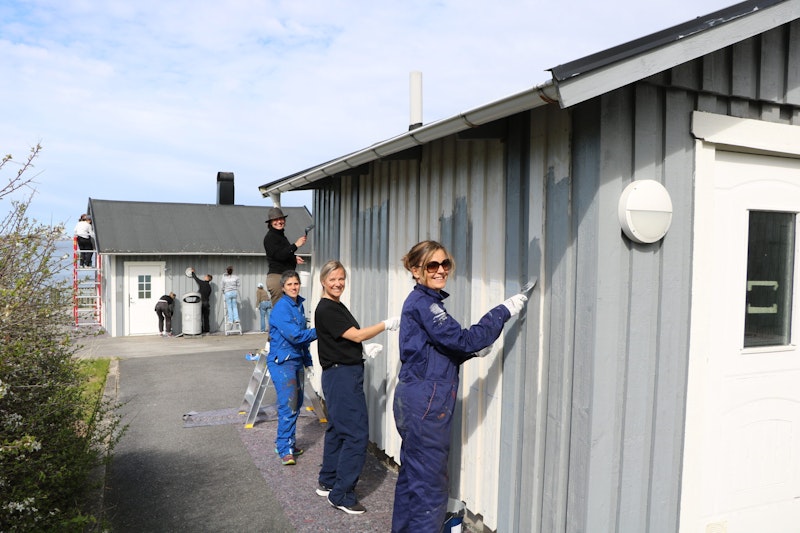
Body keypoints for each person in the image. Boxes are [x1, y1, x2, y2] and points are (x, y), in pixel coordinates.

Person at [391, 240, 529, 532]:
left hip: (414, 399)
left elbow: (436, 352)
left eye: (445, 264)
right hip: (426, 405)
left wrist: (471, 353)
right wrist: (502, 311)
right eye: (432, 265)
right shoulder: (425, 304)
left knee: (412, 480)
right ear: (415, 270)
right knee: (430, 489)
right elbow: (464, 340)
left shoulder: (422, 302)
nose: (441, 270)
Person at [313, 260, 400, 515]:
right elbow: (357, 334)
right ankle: (342, 494)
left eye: (341, 278)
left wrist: (360, 350)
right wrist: (387, 324)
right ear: (323, 281)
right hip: (342, 376)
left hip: (340, 373)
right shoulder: (327, 308)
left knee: (338, 430)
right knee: (356, 435)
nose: (338, 283)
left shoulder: (335, 306)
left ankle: (328, 481)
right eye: (332, 279)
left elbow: (344, 337)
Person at [268, 270, 317, 466]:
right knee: (288, 405)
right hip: (282, 362)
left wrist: (308, 361)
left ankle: (289, 442)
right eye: (289, 284)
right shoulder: (282, 308)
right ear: (283, 288)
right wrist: (322, 330)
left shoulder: (298, 306)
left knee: (296, 405)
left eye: (296, 283)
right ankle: (284, 449)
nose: (293, 287)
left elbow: (302, 338)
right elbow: (296, 336)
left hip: (296, 360)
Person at [263, 207, 307, 306]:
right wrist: (296, 245)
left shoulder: (280, 236)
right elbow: (279, 255)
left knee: (288, 308)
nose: (279, 221)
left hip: (284, 277)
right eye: (275, 220)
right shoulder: (270, 237)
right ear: (270, 223)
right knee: (281, 309)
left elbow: (282, 253)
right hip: (277, 278)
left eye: (281, 219)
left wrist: (294, 258)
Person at [190, 268, 213, 334]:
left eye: (205, 276)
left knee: (199, 316)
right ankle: (207, 331)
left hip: (200, 302)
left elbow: (196, 279)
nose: (204, 277)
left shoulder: (203, 283)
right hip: (206, 303)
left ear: (208, 278)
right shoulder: (209, 287)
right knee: (206, 317)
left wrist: (193, 273)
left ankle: (200, 330)